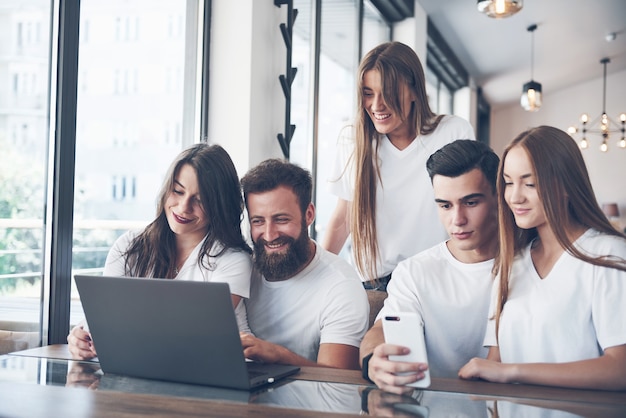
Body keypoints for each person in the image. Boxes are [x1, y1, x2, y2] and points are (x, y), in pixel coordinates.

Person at [459, 126, 626, 391]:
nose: (515, 197)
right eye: (509, 182)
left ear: (566, 185)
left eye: (530, 183)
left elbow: (620, 369)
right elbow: (494, 363)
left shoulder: (608, 255)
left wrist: (512, 372)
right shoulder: (510, 265)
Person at [67, 143, 253, 360]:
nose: (184, 207)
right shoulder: (129, 246)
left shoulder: (233, 260)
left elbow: (191, 335)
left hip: (220, 371)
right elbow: (106, 318)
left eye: (200, 200)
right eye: (178, 191)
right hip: (143, 371)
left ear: (220, 205)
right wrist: (82, 335)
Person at [323, 41, 476, 289]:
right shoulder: (353, 138)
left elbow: (473, 209)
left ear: (415, 91)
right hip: (372, 285)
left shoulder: (453, 132)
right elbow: (343, 218)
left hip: (436, 281)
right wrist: (316, 281)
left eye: (388, 93)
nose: (376, 105)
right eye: (368, 93)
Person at [359, 140, 500, 394]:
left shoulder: (531, 264)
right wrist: (373, 360)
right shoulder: (415, 272)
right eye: (445, 205)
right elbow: (381, 330)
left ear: (498, 198)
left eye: (470, 203)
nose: (457, 220)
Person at [240, 159, 369, 370]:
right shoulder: (240, 269)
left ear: (309, 214)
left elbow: (340, 382)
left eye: (281, 219)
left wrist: (278, 355)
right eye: (258, 221)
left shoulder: (341, 286)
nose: (269, 234)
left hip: (307, 403)